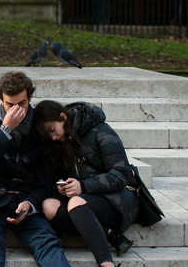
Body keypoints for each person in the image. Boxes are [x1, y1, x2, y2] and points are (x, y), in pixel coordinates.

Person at [0, 71, 70, 267]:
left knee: (47, 242)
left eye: (22, 104)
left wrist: (31, 203)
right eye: (10, 105)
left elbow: (46, 178)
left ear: (30, 98)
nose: (16, 109)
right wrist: (4, 130)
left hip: (24, 200)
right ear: (1, 100)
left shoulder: (40, 126)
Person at [34, 100, 139, 267]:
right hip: (82, 200)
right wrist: (61, 187)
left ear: (63, 117)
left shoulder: (100, 131)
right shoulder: (55, 144)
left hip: (117, 198)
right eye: (48, 135)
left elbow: (121, 174)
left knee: (76, 203)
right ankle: (109, 234)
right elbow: (53, 177)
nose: (53, 137)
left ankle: (106, 263)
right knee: (48, 206)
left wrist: (83, 186)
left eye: (52, 130)